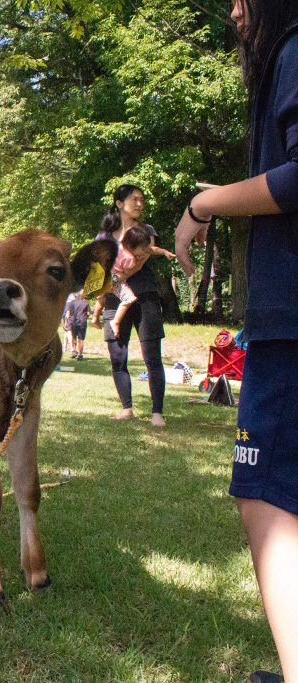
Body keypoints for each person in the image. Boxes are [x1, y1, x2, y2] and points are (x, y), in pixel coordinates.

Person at [176, 3, 298, 681]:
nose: (232, 10)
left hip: (291, 325)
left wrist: (208, 202)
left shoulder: (294, 50)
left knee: (268, 499)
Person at [93, 184, 173, 428]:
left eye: (142, 199)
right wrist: (101, 291)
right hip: (113, 299)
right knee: (118, 356)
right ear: (119, 203)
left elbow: (140, 261)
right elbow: (98, 270)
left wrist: (118, 280)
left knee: (152, 357)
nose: (139, 203)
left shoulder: (146, 231)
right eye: (134, 199)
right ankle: (126, 409)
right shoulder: (104, 237)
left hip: (145, 296)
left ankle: (157, 412)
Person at [107, 226, 153, 338]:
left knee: (101, 298)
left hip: (106, 275)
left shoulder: (117, 247)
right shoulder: (130, 258)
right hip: (114, 280)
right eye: (142, 249)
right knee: (128, 299)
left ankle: (95, 316)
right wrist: (137, 261)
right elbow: (129, 271)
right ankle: (116, 321)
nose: (144, 252)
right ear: (132, 247)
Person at [63, 291, 90, 360]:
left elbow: (67, 314)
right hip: (82, 322)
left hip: (73, 322)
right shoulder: (86, 303)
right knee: (81, 339)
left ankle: (74, 351)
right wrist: (85, 318)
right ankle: (80, 355)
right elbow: (88, 313)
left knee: (73, 337)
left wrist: (66, 323)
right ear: (82, 295)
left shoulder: (71, 303)